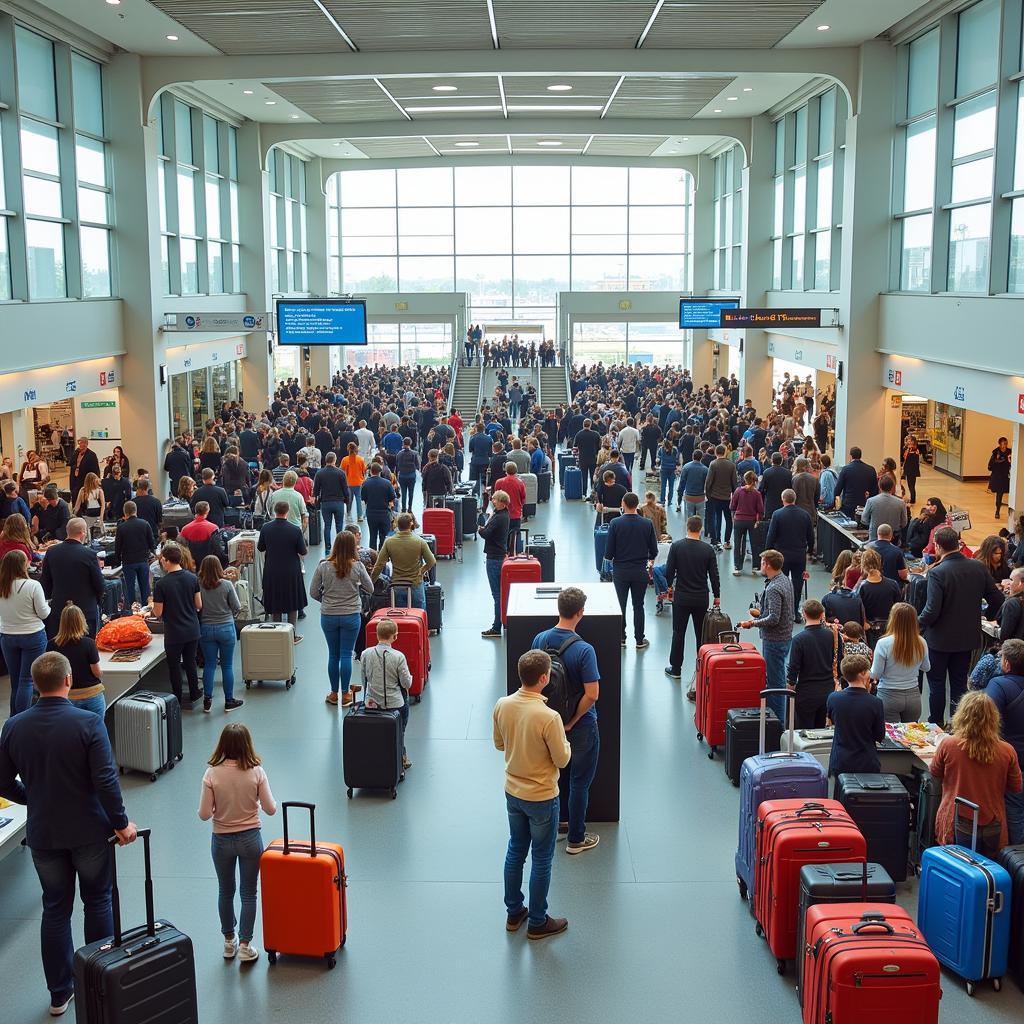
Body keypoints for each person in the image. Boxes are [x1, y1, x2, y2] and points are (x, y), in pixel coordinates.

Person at [0, 651, 137, 1017]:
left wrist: (30, 797)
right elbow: (105, 781)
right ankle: (99, 982)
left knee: (55, 909)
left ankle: (59, 994)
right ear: (68, 681)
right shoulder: (89, 724)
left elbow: (1, 781)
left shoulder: (13, 727)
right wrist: (121, 822)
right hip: (90, 829)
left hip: (45, 833)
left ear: (34, 685)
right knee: (98, 902)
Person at [493, 649, 572, 940]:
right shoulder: (548, 717)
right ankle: (538, 921)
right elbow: (562, 760)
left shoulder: (502, 704)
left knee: (516, 850)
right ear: (543, 678)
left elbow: (500, 745)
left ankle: (514, 912)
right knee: (541, 858)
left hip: (512, 792)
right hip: (541, 796)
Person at [198, 723, 277, 965]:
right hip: (251, 839)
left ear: (222, 745)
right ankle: (245, 944)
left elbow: (203, 814)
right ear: (247, 745)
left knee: (226, 890)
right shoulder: (256, 772)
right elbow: (271, 809)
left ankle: (228, 942)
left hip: (221, 840)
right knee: (248, 893)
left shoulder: (211, 774)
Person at [530, 587, 601, 856]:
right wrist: (572, 721)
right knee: (580, 782)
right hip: (580, 728)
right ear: (580, 612)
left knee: (557, 775)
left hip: (548, 724)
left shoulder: (539, 640)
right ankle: (576, 839)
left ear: (558, 608)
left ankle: (558, 822)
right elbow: (592, 694)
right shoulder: (584, 650)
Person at [919, 526, 1004, 725]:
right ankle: (959, 725)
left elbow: (932, 610)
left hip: (939, 640)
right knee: (959, 684)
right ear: (958, 543)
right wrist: (984, 616)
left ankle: (936, 724)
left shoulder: (937, 573)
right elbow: (998, 599)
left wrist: (917, 624)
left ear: (938, 546)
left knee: (937, 684)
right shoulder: (977, 567)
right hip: (967, 638)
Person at [929, 691, 1022, 855]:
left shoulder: (949, 744)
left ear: (961, 715)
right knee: (986, 873)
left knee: (954, 870)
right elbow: (1015, 787)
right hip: (993, 822)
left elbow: (935, 773)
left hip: (955, 819)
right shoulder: (1007, 751)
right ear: (994, 718)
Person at [312, 531, 373, 707]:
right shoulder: (358, 566)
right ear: (353, 547)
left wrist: (326, 601)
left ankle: (333, 693)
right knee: (347, 654)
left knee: (333, 654)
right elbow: (370, 588)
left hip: (329, 615)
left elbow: (313, 592)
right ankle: (346, 694)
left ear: (336, 545)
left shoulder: (323, 566)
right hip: (351, 615)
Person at [739, 550, 795, 725]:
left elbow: (773, 618)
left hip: (774, 641)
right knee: (777, 680)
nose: (760, 564)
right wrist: (760, 613)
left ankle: (777, 725)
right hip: (785, 637)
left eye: (762, 562)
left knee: (776, 685)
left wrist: (752, 623)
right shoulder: (785, 580)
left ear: (768, 564)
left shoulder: (773, 588)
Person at [663, 515, 721, 682]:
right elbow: (714, 575)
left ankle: (675, 669)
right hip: (701, 597)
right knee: (701, 634)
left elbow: (669, 571)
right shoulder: (708, 549)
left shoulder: (677, 547)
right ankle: (702, 669)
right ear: (701, 529)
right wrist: (717, 595)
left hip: (681, 597)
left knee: (678, 633)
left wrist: (669, 587)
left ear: (687, 527)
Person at [151, 542, 203, 708]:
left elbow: (158, 613)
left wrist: (153, 606)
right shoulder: (192, 578)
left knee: (174, 667)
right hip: (192, 628)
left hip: (174, 632)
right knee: (190, 662)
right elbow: (199, 604)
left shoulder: (162, 584)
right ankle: (194, 693)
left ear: (166, 560)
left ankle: (177, 698)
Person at [604, 492, 658, 650]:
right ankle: (640, 640)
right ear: (637, 505)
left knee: (621, 605)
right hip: (640, 571)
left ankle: (621, 638)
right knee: (638, 605)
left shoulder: (615, 523)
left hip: (620, 571)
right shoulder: (647, 524)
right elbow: (654, 551)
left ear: (623, 503)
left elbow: (608, 553)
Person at [0, 549, 50, 716]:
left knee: (16, 682)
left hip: (7, 636)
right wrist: (49, 605)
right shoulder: (33, 585)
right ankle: (23, 720)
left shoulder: (2, 587)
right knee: (26, 681)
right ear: (22, 565)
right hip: (32, 635)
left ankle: (14, 720)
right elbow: (44, 613)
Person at [984, 639, 1024, 843]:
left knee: (1013, 811)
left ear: (1007, 663)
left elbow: (986, 719)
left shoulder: (998, 685)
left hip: (1010, 761)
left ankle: (1016, 860)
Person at [361, 617, 414, 770]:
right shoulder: (398, 656)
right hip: (395, 703)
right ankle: (401, 757)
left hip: (372, 702)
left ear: (377, 635)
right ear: (395, 636)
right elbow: (406, 684)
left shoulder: (365, 654)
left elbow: (364, 680)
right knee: (399, 730)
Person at [39, 518, 105, 637]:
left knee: (60, 647)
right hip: (85, 609)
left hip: (59, 609)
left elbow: (45, 582)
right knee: (86, 646)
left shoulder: (52, 552)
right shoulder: (89, 554)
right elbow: (100, 585)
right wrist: (97, 600)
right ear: (82, 532)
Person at [825, 654, 885, 780]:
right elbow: (879, 736)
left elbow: (834, 721)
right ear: (862, 673)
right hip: (866, 762)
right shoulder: (875, 702)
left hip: (840, 761)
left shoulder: (833, 698)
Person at [870, 602, 930, 722]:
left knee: (890, 738)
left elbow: (875, 674)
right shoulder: (921, 642)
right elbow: (926, 667)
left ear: (893, 619)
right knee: (911, 738)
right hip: (913, 697)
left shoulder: (883, 643)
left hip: (888, 696)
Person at [198, 555, 243, 713]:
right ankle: (229, 700)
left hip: (207, 629)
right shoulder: (226, 584)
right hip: (226, 628)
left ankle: (207, 700)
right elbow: (237, 606)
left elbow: (197, 606)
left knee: (209, 665)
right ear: (219, 568)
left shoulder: (199, 585)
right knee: (227, 665)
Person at [788, 600, 842, 728]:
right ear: (822, 614)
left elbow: (794, 668)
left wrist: (790, 686)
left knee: (804, 733)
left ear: (804, 614)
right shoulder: (833, 636)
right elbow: (838, 660)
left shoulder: (798, 640)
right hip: (828, 691)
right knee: (822, 732)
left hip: (806, 693)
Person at [258, 501, 307, 640]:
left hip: (272, 569)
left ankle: (277, 634)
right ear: (287, 511)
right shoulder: (295, 529)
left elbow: (261, 547)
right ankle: (292, 634)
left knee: (275, 602)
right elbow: (302, 551)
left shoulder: (266, 528)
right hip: (291, 570)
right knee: (293, 602)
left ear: (274, 511)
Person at [49, 603, 106, 719]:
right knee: (96, 731)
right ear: (81, 621)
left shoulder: (52, 645)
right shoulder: (89, 643)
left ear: (62, 622)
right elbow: (97, 672)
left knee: (71, 733)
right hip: (92, 694)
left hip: (67, 695)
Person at [370, 512, 434, 612]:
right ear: (411, 524)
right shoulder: (420, 542)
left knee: (400, 615)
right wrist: (421, 571)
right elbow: (431, 561)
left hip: (397, 585)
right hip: (415, 584)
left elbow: (379, 565)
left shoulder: (389, 542)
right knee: (418, 614)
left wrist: (371, 582)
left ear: (397, 525)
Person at [766, 488, 814, 618]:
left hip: (781, 555)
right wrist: (809, 551)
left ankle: (782, 611)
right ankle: (795, 612)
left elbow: (771, 535)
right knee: (797, 583)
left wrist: (768, 553)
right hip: (799, 555)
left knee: (781, 582)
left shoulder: (777, 514)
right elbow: (811, 536)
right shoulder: (805, 515)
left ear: (783, 499)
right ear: (794, 499)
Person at [114, 500, 156, 607]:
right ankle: (146, 609)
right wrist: (153, 554)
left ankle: (132, 609)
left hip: (128, 562)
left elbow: (117, 547)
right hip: (143, 560)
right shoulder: (145, 524)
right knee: (144, 587)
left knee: (130, 588)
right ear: (136, 511)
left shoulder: (121, 527)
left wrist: (118, 560)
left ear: (125, 513)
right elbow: (152, 543)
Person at [480, 490, 511, 639]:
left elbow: (486, 534)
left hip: (494, 559)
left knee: (497, 594)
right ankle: (502, 622)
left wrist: (481, 528)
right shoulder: (504, 515)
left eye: (495, 500)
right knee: (500, 593)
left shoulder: (498, 518)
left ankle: (496, 627)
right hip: (500, 556)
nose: (493, 502)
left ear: (502, 503)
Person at [856, 548, 902, 644]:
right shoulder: (893, 584)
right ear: (879, 563)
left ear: (863, 565)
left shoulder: (862, 587)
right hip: (891, 627)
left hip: (870, 629)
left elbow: (858, 608)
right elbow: (899, 606)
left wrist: (864, 623)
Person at [312, 451, 350, 548]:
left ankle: (328, 548)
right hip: (339, 503)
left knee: (327, 526)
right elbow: (345, 489)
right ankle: (340, 547)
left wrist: (316, 502)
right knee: (339, 526)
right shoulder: (341, 473)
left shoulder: (319, 473)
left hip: (326, 503)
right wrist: (347, 501)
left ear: (325, 460)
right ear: (335, 460)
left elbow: (315, 490)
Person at [729, 470, 764, 576]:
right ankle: (755, 567)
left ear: (744, 479)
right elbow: (761, 510)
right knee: (755, 544)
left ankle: (737, 567)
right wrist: (758, 521)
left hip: (739, 520)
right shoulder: (757, 493)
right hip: (751, 521)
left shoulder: (738, 491)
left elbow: (732, 507)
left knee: (738, 544)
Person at [704, 445, 737, 551]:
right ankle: (727, 540)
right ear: (725, 452)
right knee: (728, 519)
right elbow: (734, 483)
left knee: (716, 518)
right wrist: (734, 495)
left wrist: (707, 494)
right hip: (727, 497)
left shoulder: (713, 464)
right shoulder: (731, 465)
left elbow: (709, 481)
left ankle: (717, 539)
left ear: (715, 453)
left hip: (714, 496)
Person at [833, 446, 879, 519]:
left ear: (850, 456)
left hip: (848, 505)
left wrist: (835, 504)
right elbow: (874, 491)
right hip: (864, 505)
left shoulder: (846, 469)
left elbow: (837, 490)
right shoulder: (871, 469)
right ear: (860, 456)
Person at [361, 462, 397, 554]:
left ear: (371, 471)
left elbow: (363, 498)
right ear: (380, 472)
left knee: (372, 535)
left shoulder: (366, 483)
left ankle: (372, 555)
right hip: (384, 513)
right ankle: (382, 554)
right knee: (383, 536)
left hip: (371, 513)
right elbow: (393, 497)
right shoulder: (387, 483)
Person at [860, 475, 908, 543]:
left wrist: (872, 524)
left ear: (879, 486)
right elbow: (904, 523)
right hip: (893, 538)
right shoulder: (901, 503)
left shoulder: (871, 501)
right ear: (892, 487)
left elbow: (864, 519)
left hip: (875, 538)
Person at [494, 462, 527, 554]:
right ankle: (517, 555)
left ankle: (504, 555)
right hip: (516, 515)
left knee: (502, 536)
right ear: (516, 470)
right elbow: (523, 498)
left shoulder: (499, 482)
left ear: (505, 470)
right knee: (516, 535)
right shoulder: (520, 483)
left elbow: (495, 498)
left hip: (501, 515)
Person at [677, 449, 708, 521]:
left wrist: (680, 494)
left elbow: (682, 482)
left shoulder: (686, 467)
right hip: (700, 497)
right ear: (701, 457)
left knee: (689, 519)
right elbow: (707, 484)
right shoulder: (705, 469)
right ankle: (700, 531)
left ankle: (690, 532)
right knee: (701, 519)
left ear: (692, 456)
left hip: (689, 497)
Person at [69, 438, 100, 506]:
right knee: (75, 496)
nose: (79, 445)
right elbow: (70, 462)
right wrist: (75, 452)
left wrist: (96, 481)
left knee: (83, 499)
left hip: (84, 479)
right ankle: (75, 511)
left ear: (86, 444)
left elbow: (95, 469)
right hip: (75, 479)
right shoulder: (76, 453)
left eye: (81, 443)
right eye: (79, 443)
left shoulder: (91, 455)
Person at [341, 441, 367, 523]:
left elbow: (342, 471)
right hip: (359, 482)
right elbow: (364, 471)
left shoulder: (345, 460)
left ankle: (348, 515)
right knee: (359, 500)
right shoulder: (360, 459)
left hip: (348, 483)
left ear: (348, 449)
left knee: (349, 500)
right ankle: (360, 516)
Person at [73, 471, 105, 537]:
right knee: (87, 535)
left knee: (98, 535)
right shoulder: (83, 490)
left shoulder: (99, 490)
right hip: (87, 516)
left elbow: (103, 505)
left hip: (97, 516)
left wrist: (101, 517)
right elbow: (77, 505)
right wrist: (73, 515)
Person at [394, 438, 420, 514]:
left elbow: (397, 464)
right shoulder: (414, 453)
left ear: (403, 443)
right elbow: (417, 465)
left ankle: (403, 509)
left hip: (402, 475)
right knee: (411, 493)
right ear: (410, 443)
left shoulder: (399, 454)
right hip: (411, 475)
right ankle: (410, 508)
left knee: (403, 492)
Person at [988, 436, 1012, 520]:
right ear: (1000, 444)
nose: (1005, 445)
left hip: (1007, 476)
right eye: (1003, 443)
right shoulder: (995, 452)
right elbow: (990, 466)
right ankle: (997, 511)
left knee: (1012, 494)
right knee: (999, 494)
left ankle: (1011, 511)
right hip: (998, 476)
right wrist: (997, 460)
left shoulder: (1010, 452)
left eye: (1006, 443)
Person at [999, 567, 1024, 641]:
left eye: (1011, 580)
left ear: (1021, 584)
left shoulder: (1012, 603)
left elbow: (1004, 635)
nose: (1007, 583)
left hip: (1015, 649)